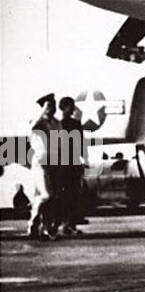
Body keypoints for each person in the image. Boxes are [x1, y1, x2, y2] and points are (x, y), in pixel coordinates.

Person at [56, 97, 98, 236]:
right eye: (71, 106)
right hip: (67, 163)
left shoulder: (62, 124)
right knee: (69, 195)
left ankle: (68, 223)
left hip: (68, 163)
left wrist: (84, 159)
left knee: (71, 194)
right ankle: (67, 224)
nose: (73, 109)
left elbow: (81, 143)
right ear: (65, 107)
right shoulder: (65, 124)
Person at [26, 95, 58, 240]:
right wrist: (43, 110)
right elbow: (33, 127)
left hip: (54, 162)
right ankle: (33, 222)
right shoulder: (36, 122)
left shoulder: (56, 123)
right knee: (46, 196)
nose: (53, 108)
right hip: (41, 163)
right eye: (49, 105)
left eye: (54, 105)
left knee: (51, 197)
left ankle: (45, 228)